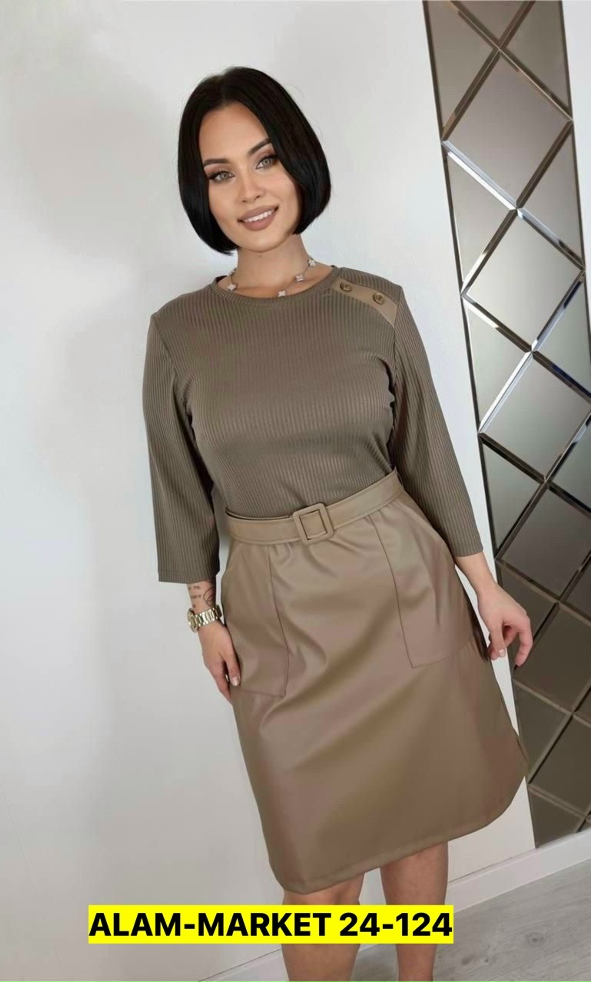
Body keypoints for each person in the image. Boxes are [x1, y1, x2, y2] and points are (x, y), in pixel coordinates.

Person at [141, 65, 534, 982]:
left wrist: (484, 586)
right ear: (201, 193)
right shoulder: (179, 332)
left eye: (265, 160)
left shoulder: (374, 303)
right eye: (220, 173)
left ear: (299, 163)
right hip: (276, 617)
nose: (249, 190)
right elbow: (177, 485)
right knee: (316, 869)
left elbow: (427, 454)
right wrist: (203, 615)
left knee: (421, 821)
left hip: (402, 591)